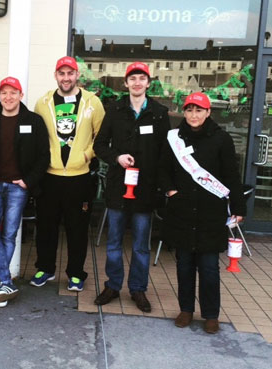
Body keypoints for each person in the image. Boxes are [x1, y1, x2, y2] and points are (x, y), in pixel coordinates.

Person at [158, 92, 246, 333]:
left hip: (211, 212)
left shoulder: (222, 139)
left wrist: (238, 206)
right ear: (184, 112)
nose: (193, 115)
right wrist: (170, 192)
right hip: (182, 211)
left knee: (208, 267)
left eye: (199, 110)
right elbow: (162, 170)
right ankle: (186, 310)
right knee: (184, 265)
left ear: (208, 112)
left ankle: (210, 314)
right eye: (189, 110)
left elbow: (231, 175)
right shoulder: (174, 139)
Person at [93, 62, 170, 312]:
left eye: (141, 78)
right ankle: (113, 285)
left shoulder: (159, 113)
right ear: (125, 83)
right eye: (132, 78)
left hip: (145, 188)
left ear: (148, 83)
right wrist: (117, 157)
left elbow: (165, 152)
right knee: (114, 241)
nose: (137, 83)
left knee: (140, 245)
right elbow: (100, 144)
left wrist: (161, 185)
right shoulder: (114, 110)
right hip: (118, 187)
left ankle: (138, 289)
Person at [0, 77, 50, 307]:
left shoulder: (33, 121)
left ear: (21, 95)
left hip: (18, 186)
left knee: (9, 233)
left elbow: (43, 155)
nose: (8, 97)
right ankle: (5, 280)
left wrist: (28, 181)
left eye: (13, 93)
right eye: (4, 93)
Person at [31, 56, 105, 292]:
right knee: (46, 226)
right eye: (61, 73)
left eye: (70, 73)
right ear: (56, 76)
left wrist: (86, 155)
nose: (66, 78)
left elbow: (101, 137)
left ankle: (75, 273)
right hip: (50, 176)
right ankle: (45, 268)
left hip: (79, 177)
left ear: (77, 76)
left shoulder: (93, 102)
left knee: (77, 228)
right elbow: (37, 136)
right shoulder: (43, 102)